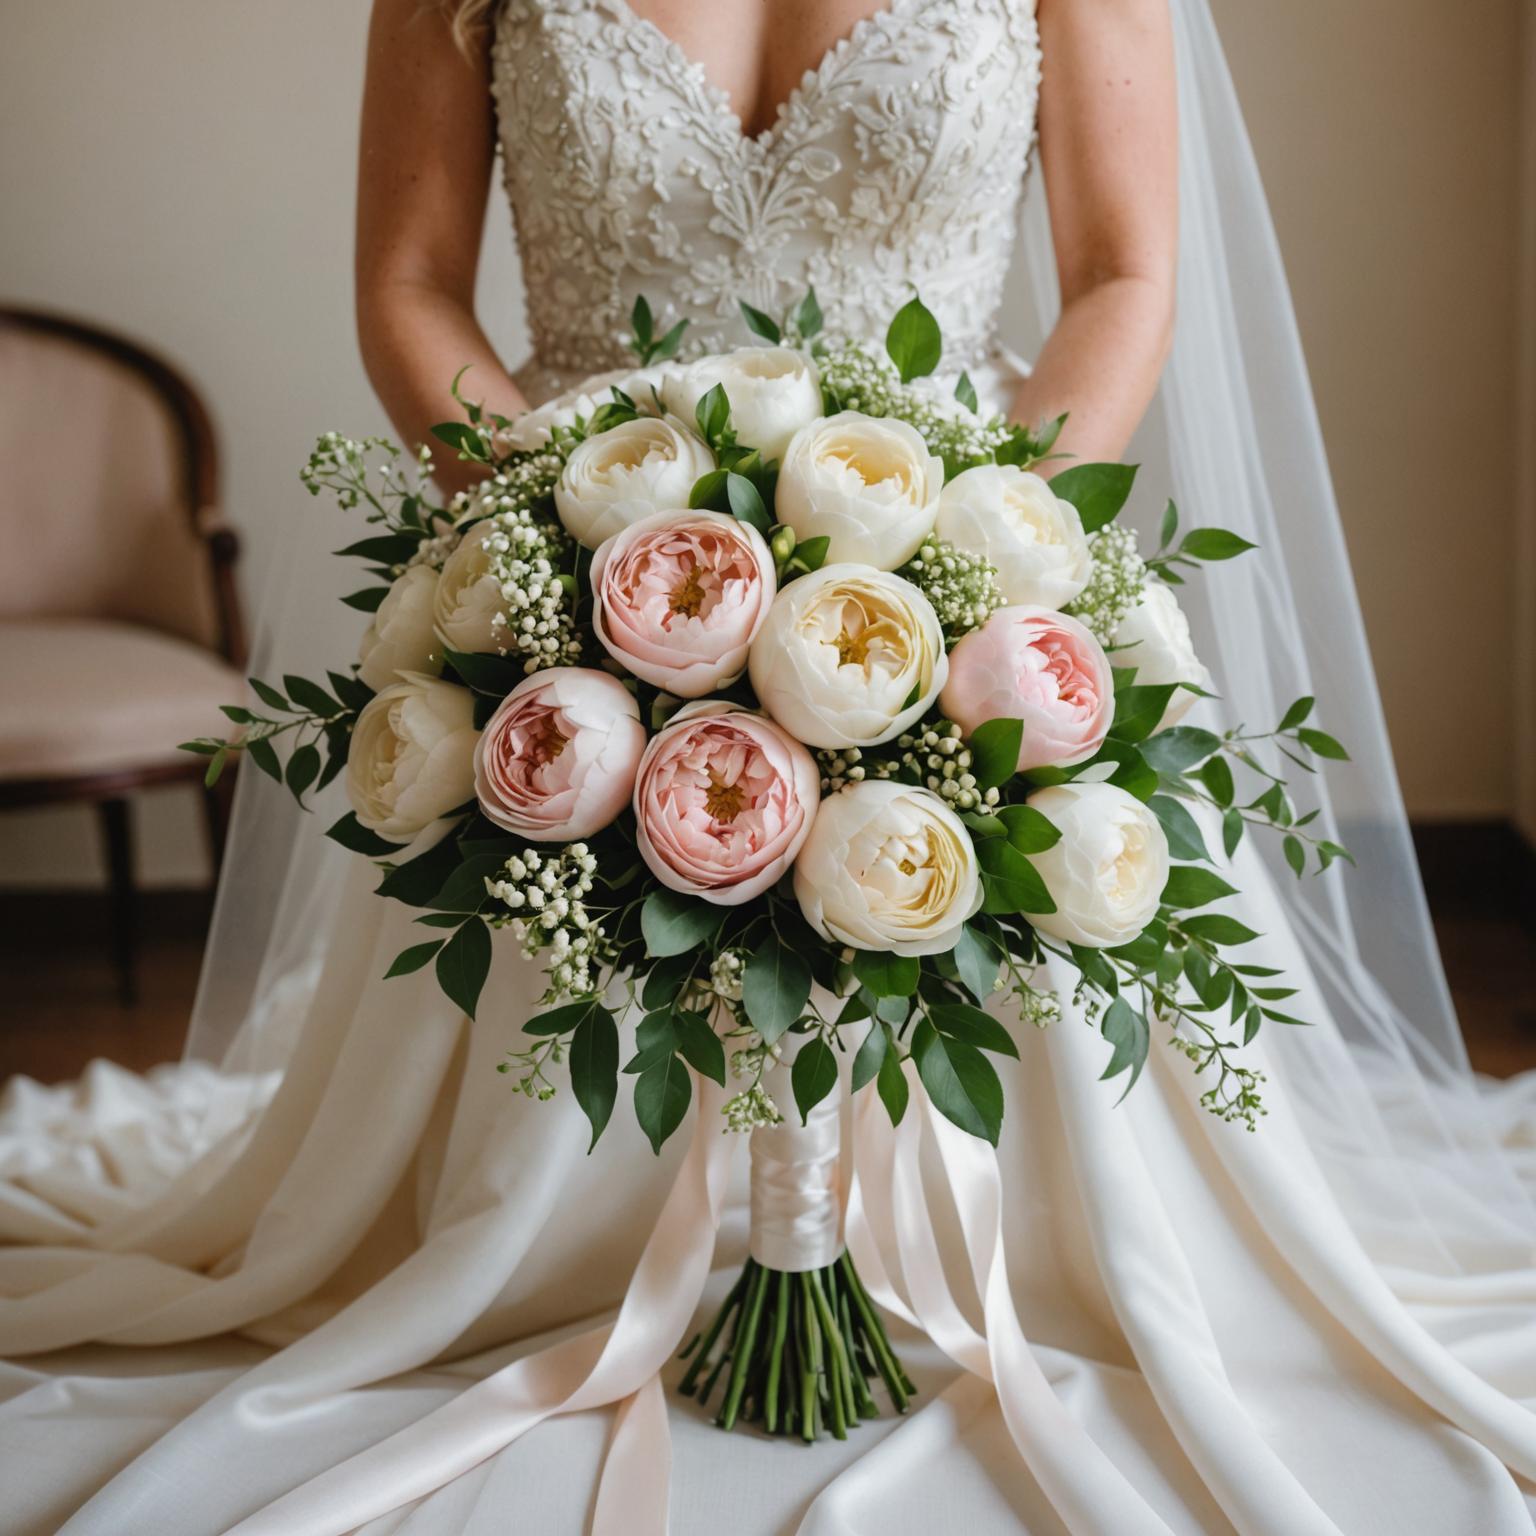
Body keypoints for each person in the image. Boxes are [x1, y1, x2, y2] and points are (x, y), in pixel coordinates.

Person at [5, 2, 1535, 1531]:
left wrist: (980, 567)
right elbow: (407, 283)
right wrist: (557, 544)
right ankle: (542, 1265)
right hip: (589, 568)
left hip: (961, 566)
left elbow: (1125, 270)